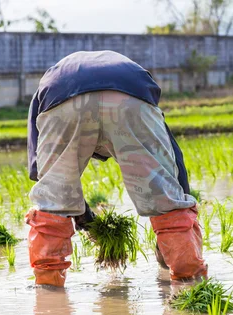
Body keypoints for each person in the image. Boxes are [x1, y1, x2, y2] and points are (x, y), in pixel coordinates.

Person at [25, 51, 208, 287]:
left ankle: (48, 288)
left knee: (52, 201)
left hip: (62, 96)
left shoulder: (42, 95)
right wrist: (174, 205)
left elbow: (41, 172)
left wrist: (82, 218)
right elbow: (175, 165)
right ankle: (189, 280)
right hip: (130, 96)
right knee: (165, 195)